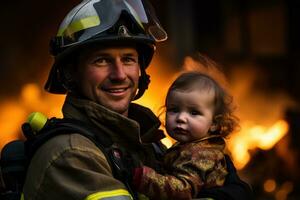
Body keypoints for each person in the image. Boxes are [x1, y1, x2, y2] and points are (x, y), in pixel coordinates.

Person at [22, 0, 252, 200]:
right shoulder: (72, 154)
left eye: (129, 59)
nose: (119, 75)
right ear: (72, 72)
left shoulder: (146, 144)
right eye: (102, 60)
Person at [133, 70, 239, 200]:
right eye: (174, 110)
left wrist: (143, 177)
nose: (181, 118)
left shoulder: (201, 155)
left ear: (214, 123)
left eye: (194, 112)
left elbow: (183, 190)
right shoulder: (189, 147)